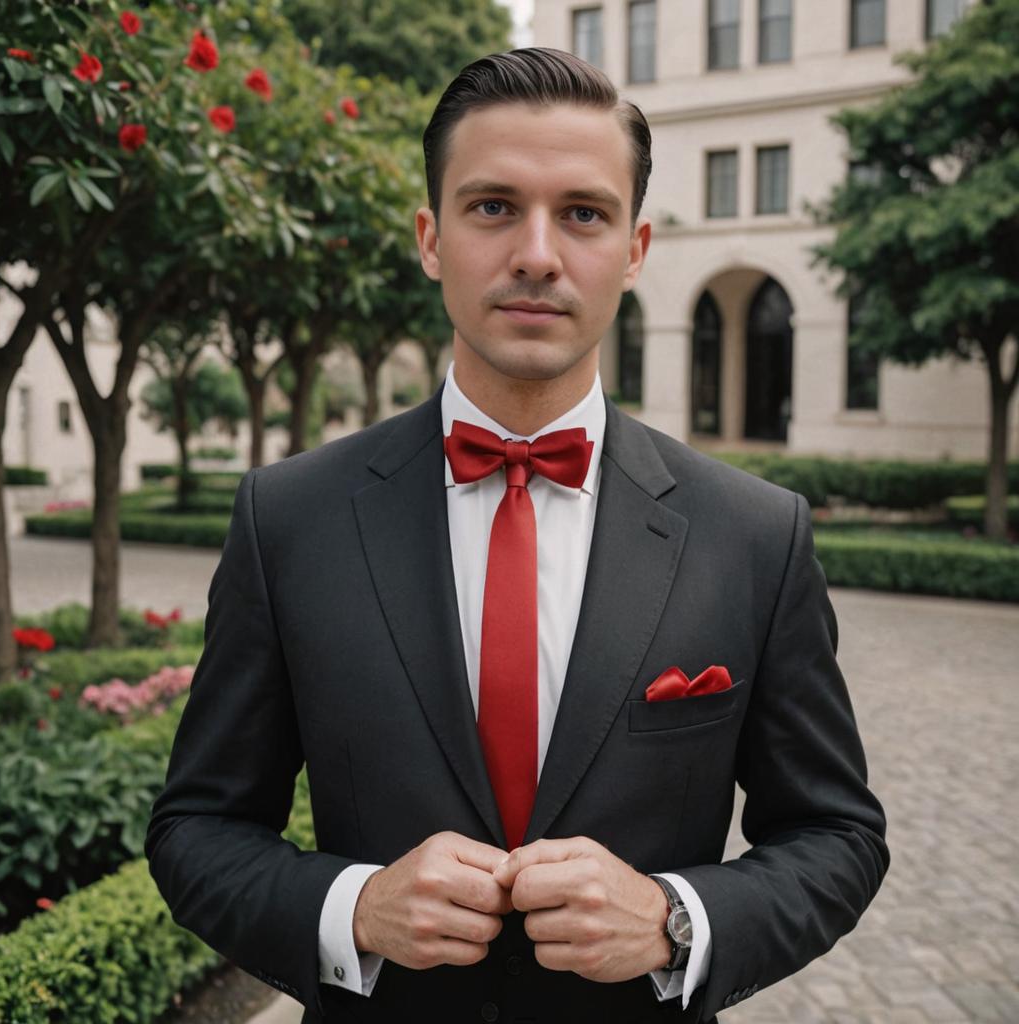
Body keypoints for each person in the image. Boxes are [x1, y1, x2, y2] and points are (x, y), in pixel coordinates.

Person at [146, 47, 888, 1024]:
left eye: (582, 212)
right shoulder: (289, 517)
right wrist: (351, 908)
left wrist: (676, 918)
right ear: (429, 236)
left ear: (633, 247)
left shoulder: (754, 534)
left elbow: (837, 835)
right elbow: (197, 826)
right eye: (493, 206)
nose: (537, 252)